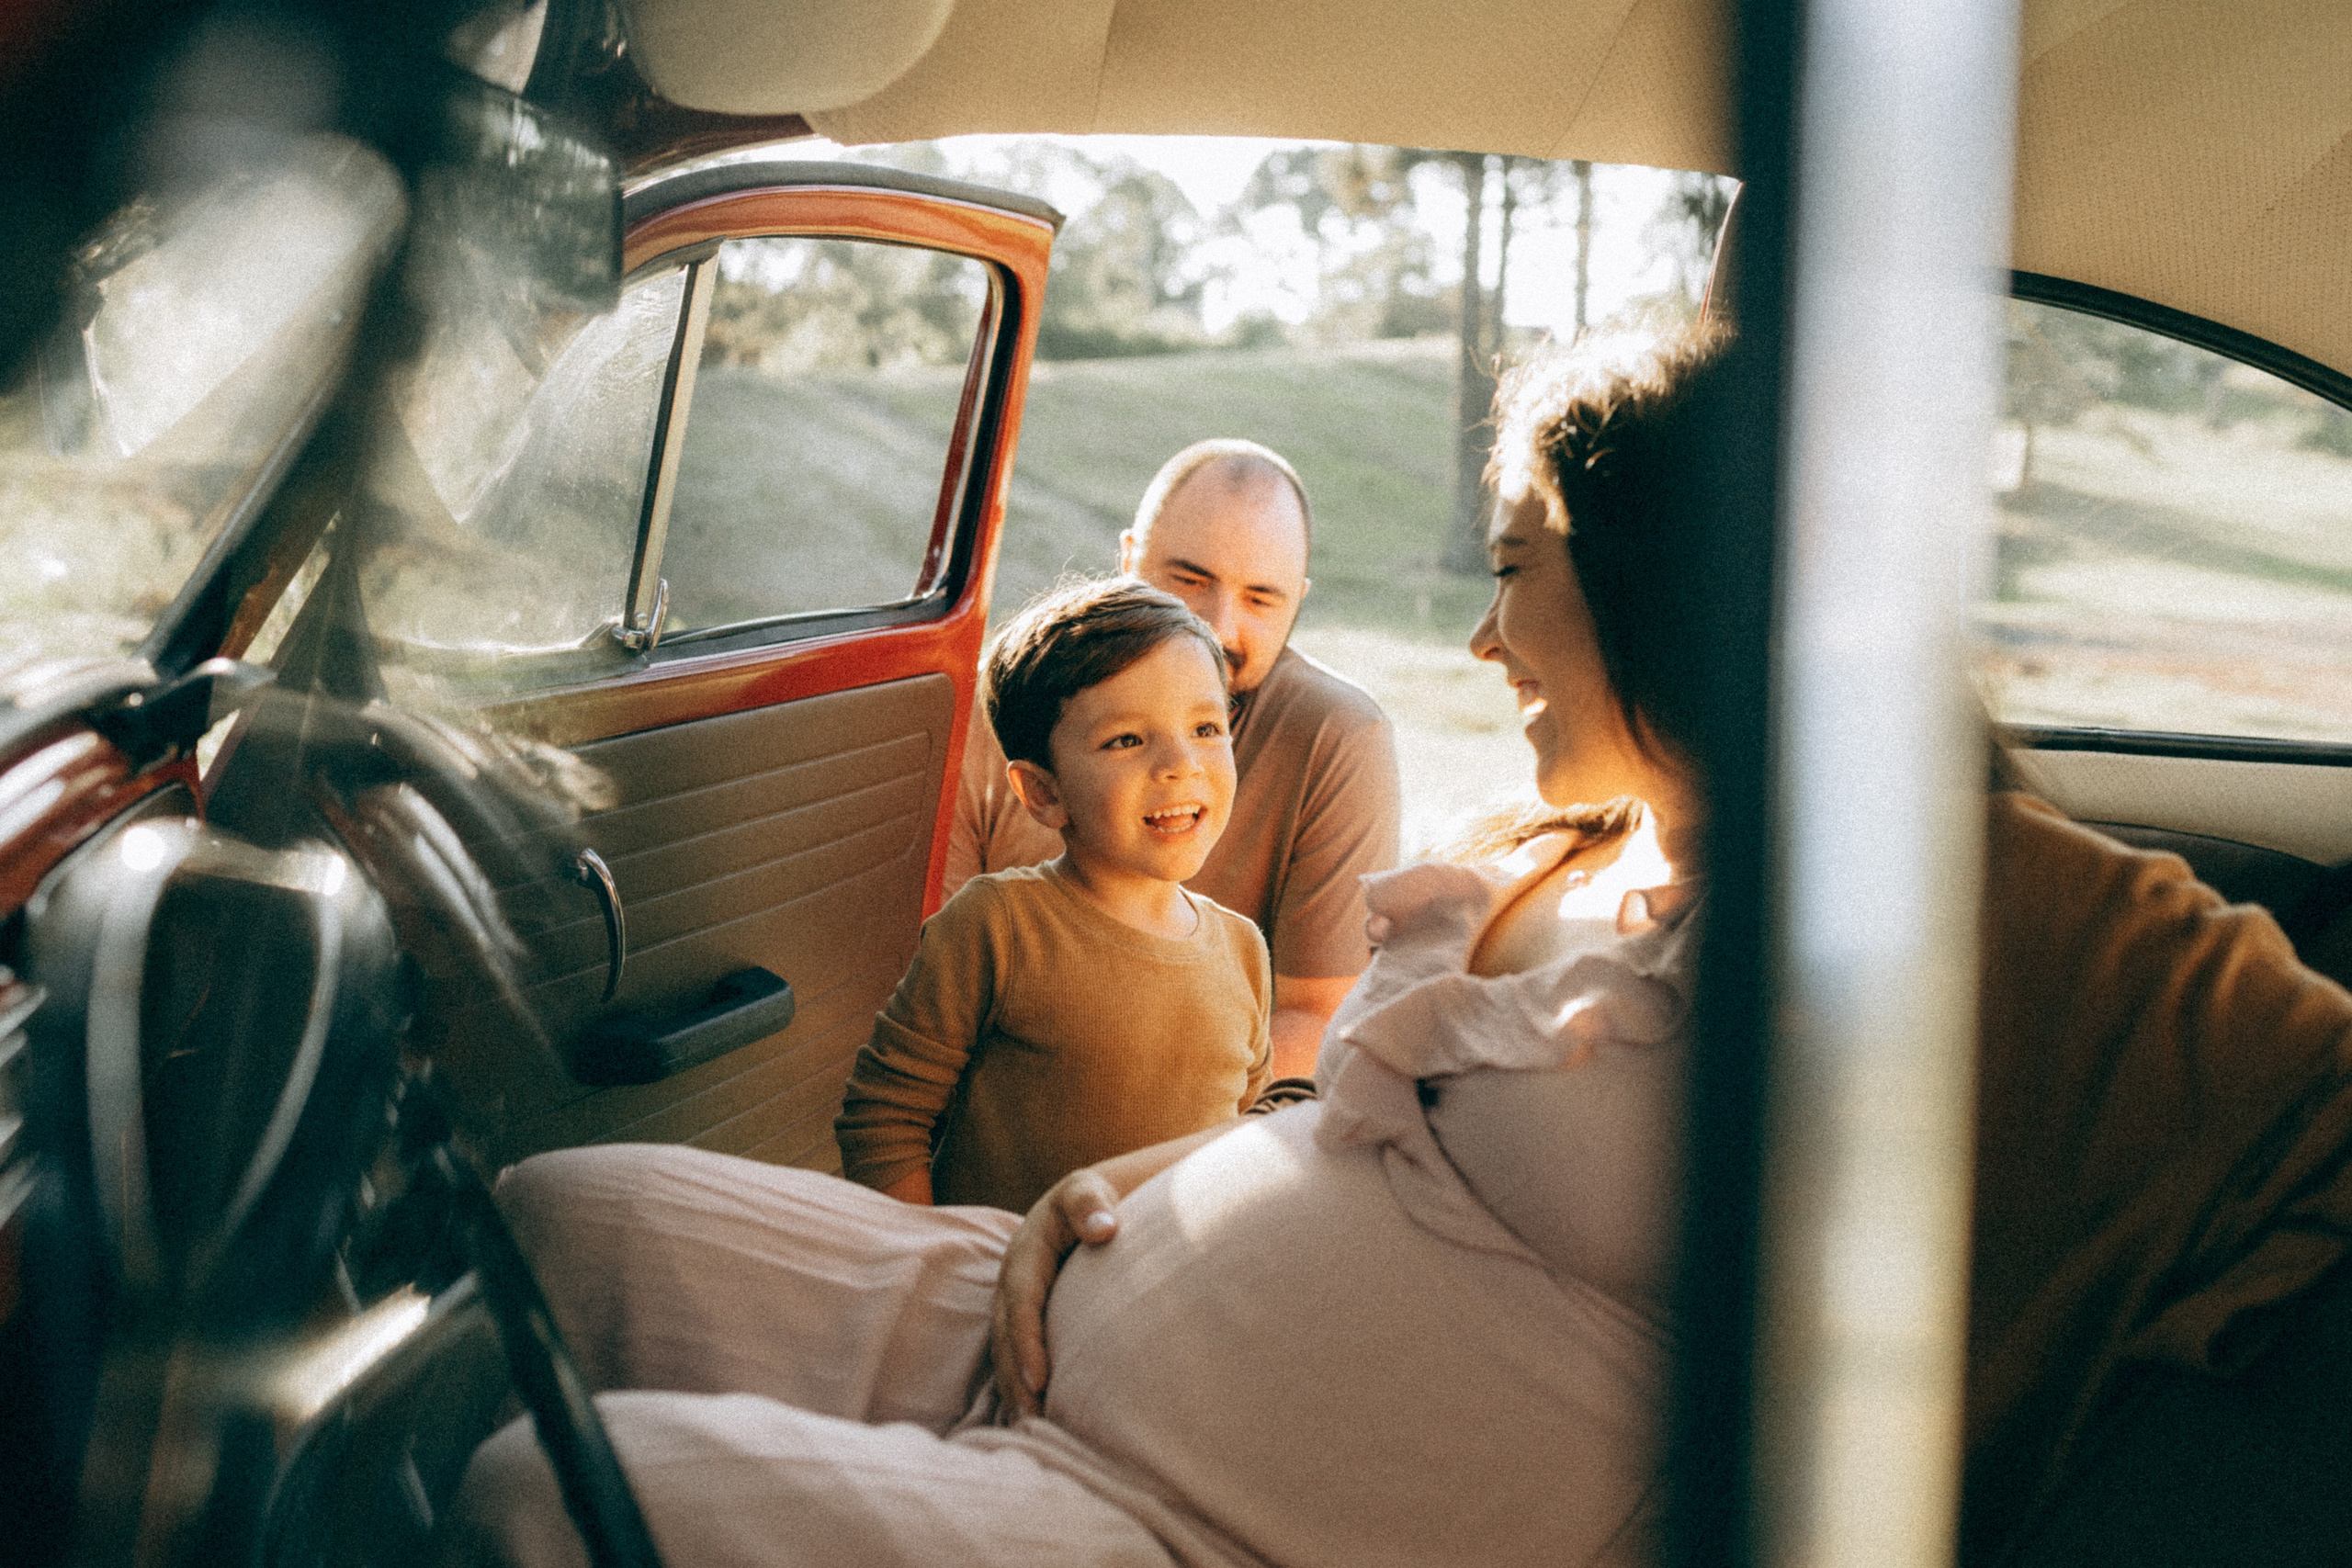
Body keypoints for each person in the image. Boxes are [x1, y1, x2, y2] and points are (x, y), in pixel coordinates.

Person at [441, 323, 1726, 1568]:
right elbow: (1334, 1110)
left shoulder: (1797, 987)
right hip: (1044, 1298)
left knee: (546, 1494)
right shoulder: (1549, 843)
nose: (1482, 636)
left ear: (1652, 576)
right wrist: (1091, 1192)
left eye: (1509, 569)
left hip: (1188, 1505)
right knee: (552, 1212)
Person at [947, 439, 1401, 1080]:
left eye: (1261, 599)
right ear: (1129, 559)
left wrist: (1144, 1146)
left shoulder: (1341, 736)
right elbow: (926, 973)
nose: (1218, 627)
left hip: (1206, 1136)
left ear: (1298, 599)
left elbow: (1315, 1016)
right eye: (1189, 581)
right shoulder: (1000, 708)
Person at [834, 577, 1272, 1215]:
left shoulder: (1243, 950)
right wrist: (938, 1261)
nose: (1182, 763)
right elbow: (882, 1119)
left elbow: (1245, 1140)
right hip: (990, 1281)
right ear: (1043, 792)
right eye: (1127, 739)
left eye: (1206, 727)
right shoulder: (997, 926)